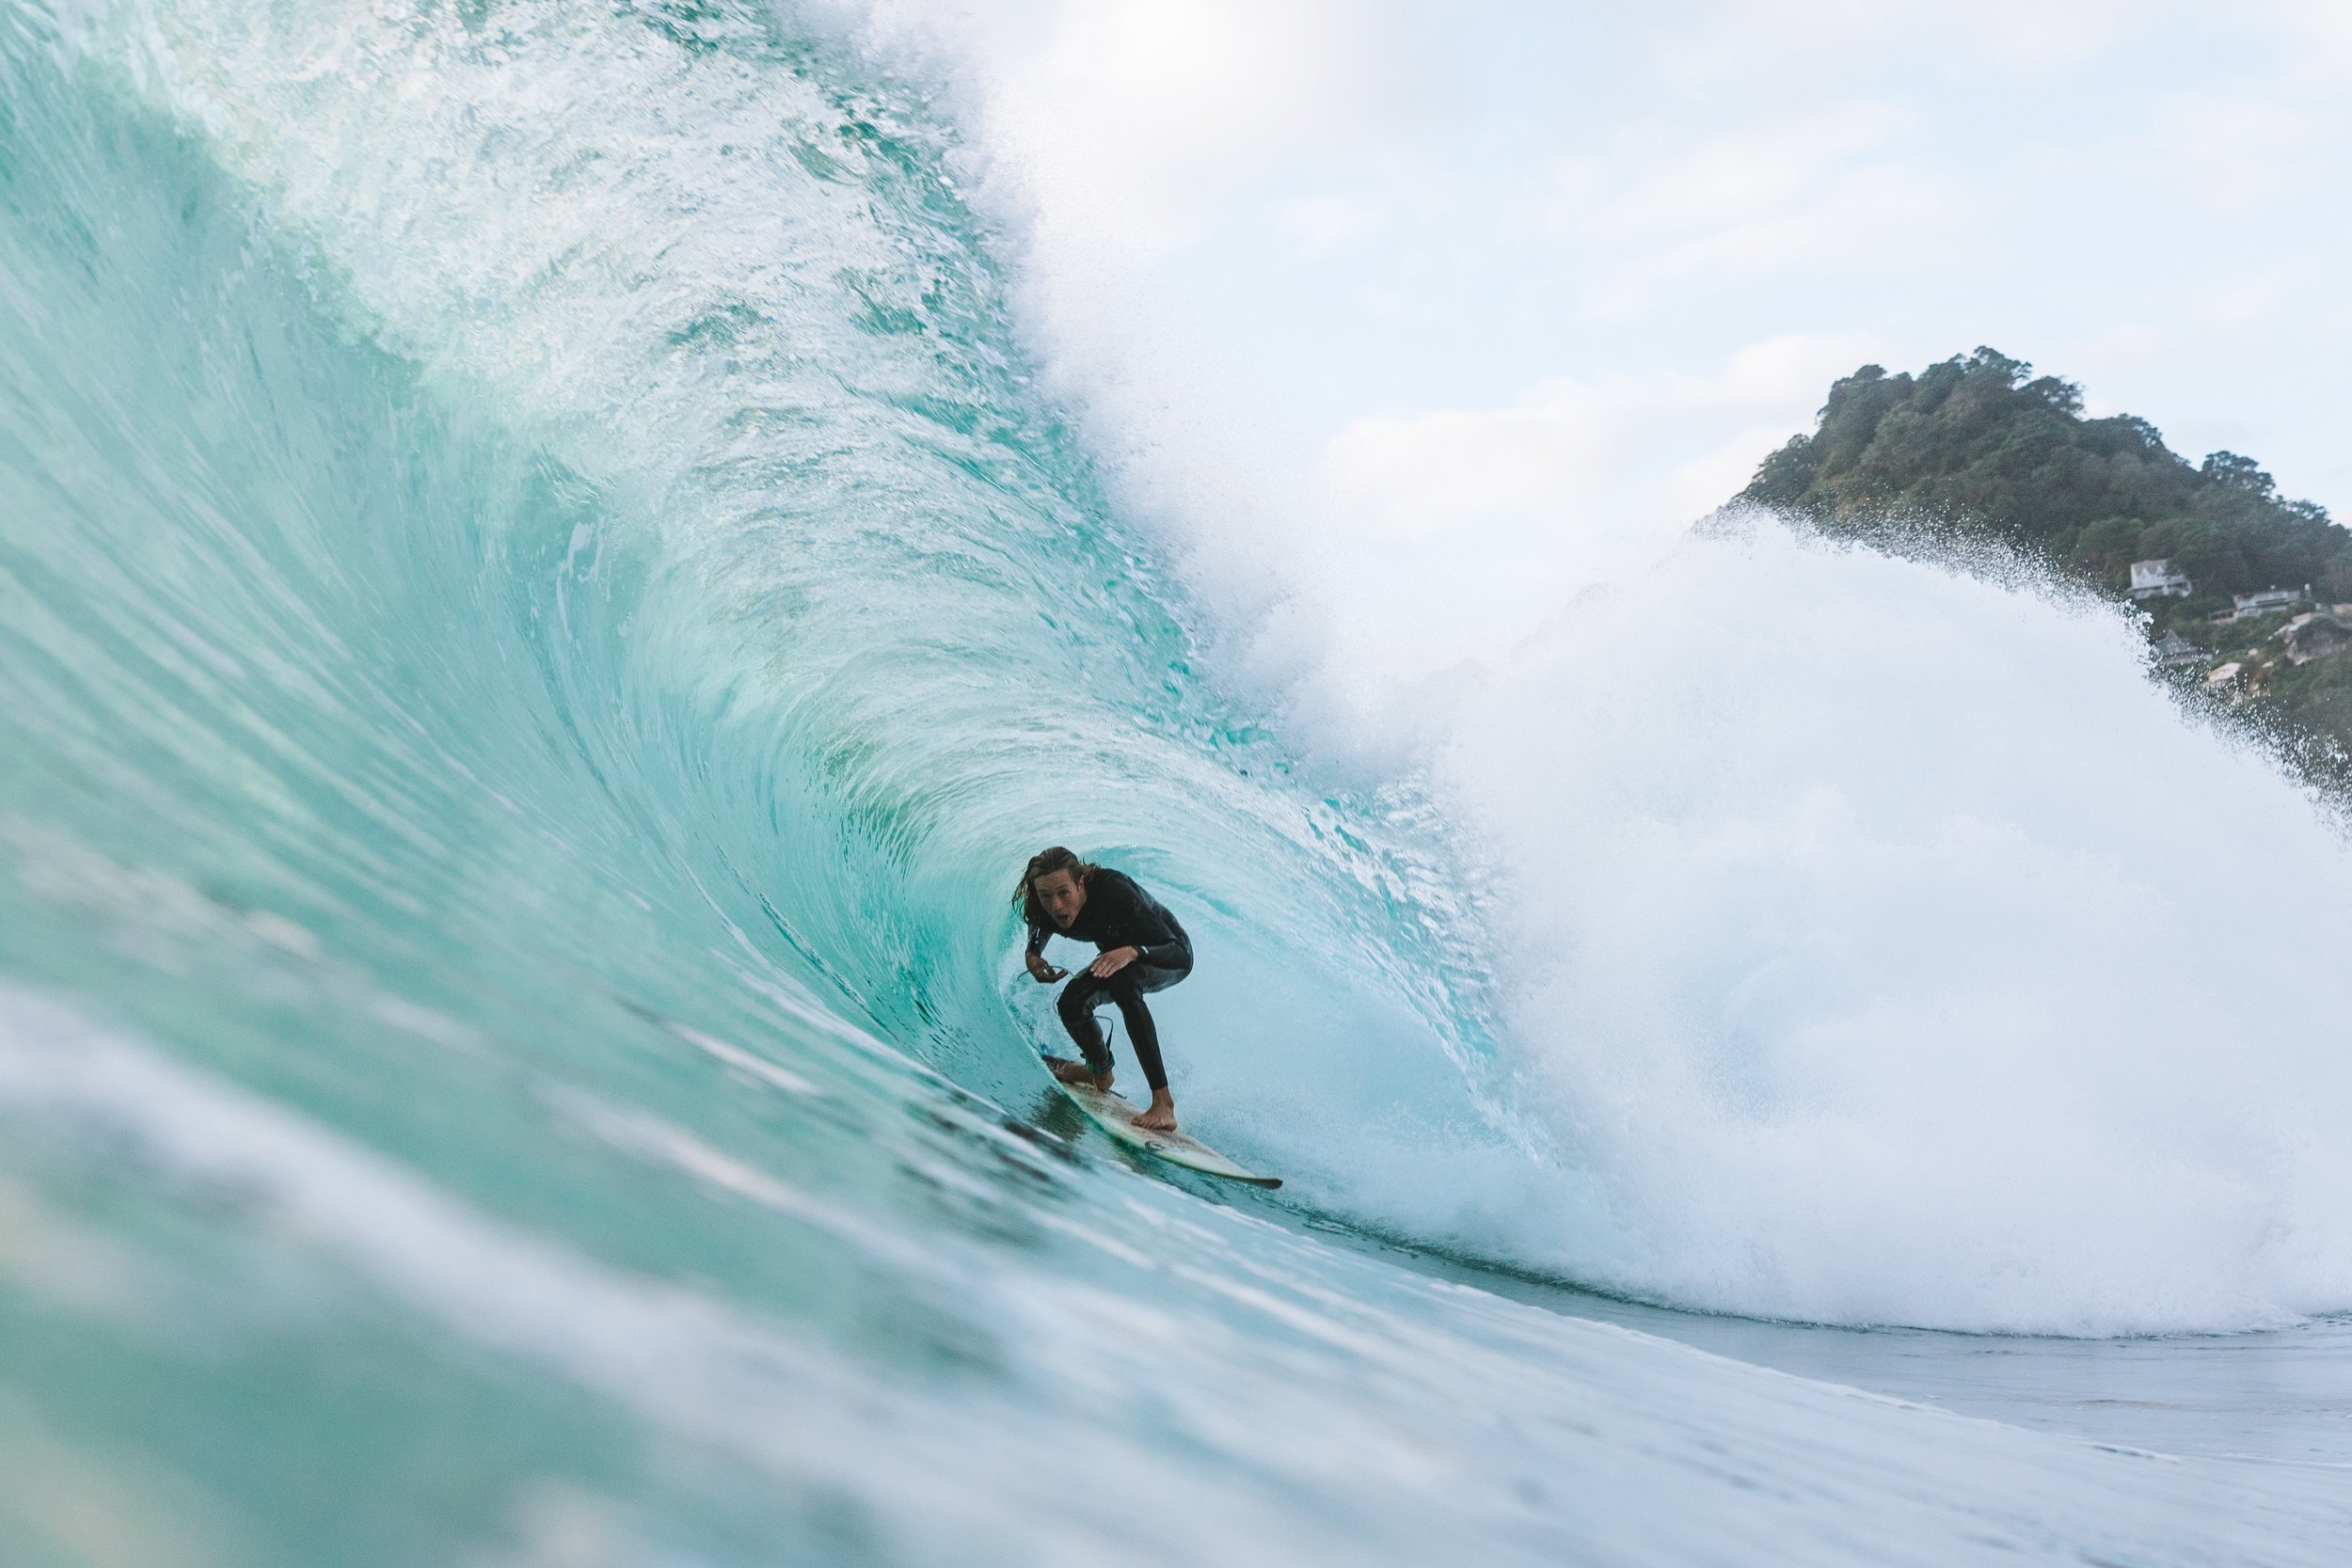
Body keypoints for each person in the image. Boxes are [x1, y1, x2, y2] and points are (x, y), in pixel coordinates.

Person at [1015, 846, 1192, 1133]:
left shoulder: (1114, 891)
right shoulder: (1044, 904)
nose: (1056, 906)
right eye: (1046, 896)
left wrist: (1132, 952)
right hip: (1117, 955)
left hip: (1162, 954)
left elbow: (1179, 953)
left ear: (1081, 882)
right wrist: (1033, 955)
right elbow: (1040, 924)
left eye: (1064, 893)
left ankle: (1163, 1104)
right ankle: (1098, 1072)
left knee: (1125, 983)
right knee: (1071, 1003)